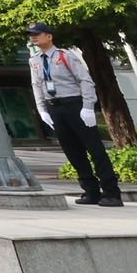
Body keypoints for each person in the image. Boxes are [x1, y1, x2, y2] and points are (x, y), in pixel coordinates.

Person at [27, 22, 123, 207]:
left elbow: (85, 80)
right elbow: (36, 85)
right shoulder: (35, 60)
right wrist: (42, 109)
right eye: (31, 34)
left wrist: (87, 106)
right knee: (73, 151)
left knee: (95, 149)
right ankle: (90, 191)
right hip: (54, 108)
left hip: (74, 104)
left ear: (49, 36)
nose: (33, 37)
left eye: (37, 34)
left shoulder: (65, 55)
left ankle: (111, 192)